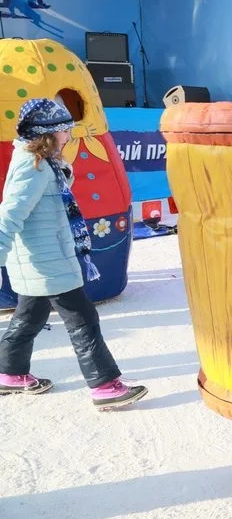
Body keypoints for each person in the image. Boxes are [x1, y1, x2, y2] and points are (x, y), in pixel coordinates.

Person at [0, 98, 147, 408]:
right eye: (65, 130)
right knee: (83, 320)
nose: (69, 136)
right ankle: (105, 386)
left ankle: (9, 373)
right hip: (48, 260)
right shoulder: (34, 166)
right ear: (48, 134)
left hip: (41, 260)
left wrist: (63, 169)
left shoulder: (44, 163)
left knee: (29, 317)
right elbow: (9, 215)